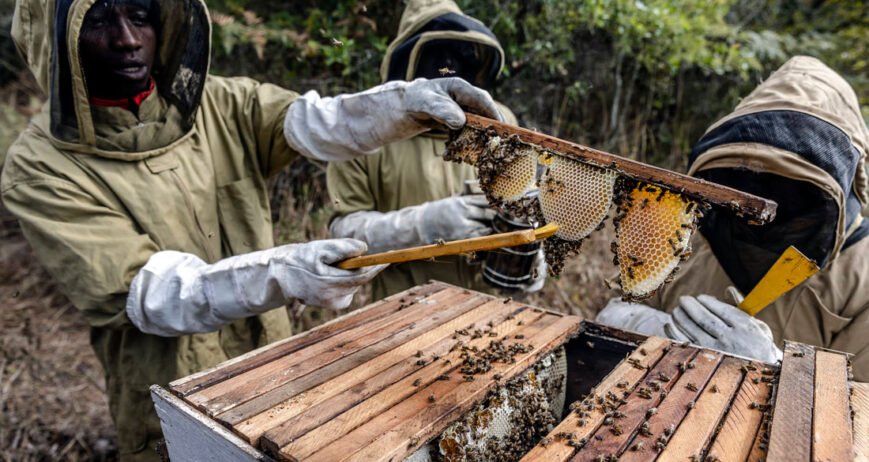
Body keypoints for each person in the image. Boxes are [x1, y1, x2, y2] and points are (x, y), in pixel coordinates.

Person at [2, 0, 503, 459]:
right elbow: (150, 293)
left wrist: (401, 104)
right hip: (170, 390)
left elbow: (315, 122)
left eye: (139, 14)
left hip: (274, 361)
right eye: (99, 20)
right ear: (57, 39)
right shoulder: (39, 168)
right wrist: (283, 270)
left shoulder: (218, 102)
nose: (128, 38)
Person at [596, 56, 869, 380]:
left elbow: (859, 421)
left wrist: (779, 370)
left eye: (786, 187)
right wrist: (631, 323)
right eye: (743, 179)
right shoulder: (689, 233)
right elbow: (630, 305)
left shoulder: (860, 279)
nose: (761, 199)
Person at [327, 0, 545, 300]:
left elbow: (522, 203)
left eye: (460, 54)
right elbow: (342, 235)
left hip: (491, 310)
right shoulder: (364, 130)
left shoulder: (501, 122)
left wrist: (532, 256)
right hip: (406, 315)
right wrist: (424, 225)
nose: (451, 66)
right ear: (408, 61)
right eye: (438, 56)